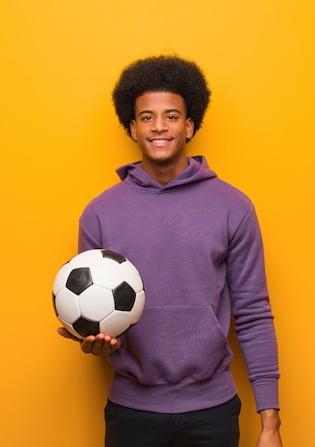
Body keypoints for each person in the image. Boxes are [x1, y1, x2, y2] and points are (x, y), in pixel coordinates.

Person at [58, 55, 283, 447]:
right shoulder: (99, 214)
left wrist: (270, 423)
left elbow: (253, 314)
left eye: (171, 116)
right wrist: (92, 340)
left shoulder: (233, 206)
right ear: (132, 127)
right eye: (146, 117)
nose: (159, 126)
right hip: (132, 414)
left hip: (213, 411)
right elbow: (98, 316)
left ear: (190, 124)